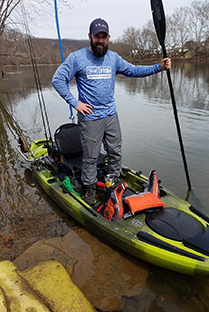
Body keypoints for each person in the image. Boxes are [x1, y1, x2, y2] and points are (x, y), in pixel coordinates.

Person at [52, 18, 171, 205]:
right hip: (90, 118)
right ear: (89, 36)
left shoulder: (113, 58)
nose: (100, 40)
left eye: (104, 37)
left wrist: (159, 67)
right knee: (90, 157)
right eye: (97, 37)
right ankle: (90, 189)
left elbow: (134, 70)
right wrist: (75, 103)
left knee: (115, 151)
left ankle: (112, 180)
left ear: (108, 37)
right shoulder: (77, 58)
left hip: (110, 115)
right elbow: (58, 80)